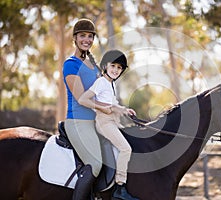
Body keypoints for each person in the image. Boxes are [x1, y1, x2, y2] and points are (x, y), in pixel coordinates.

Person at [78, 50, 139, 200]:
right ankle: (119, 187)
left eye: (119, 68)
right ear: (105, 65)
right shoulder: (101, 82)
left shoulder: (111, 85)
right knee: (126, 149)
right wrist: (100, 108)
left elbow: (113, 105)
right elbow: (83, 99)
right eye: (113, 66)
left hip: (113, 120)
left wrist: (125, 110)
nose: (116, 70)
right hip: (104, 122)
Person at [62, 18, 102, 200]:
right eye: (82, 36)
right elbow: (81, 98)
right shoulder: (71, 64)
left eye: (90, 36)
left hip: (96, 121)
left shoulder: (93, 66)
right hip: (78, 121)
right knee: (95, 164)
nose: (86, 39)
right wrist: (107, 108)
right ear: (75, 38)